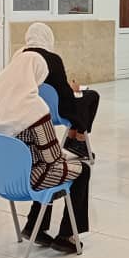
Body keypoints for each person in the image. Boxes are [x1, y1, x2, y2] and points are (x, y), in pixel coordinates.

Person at [0, 51, 90, 254]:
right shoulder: (34, 108)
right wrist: (64, 155)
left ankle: (36, 226)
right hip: (25, 182)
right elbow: (51, 158)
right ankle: (66, 236)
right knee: (81, 170)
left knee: (40, 164)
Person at [21, 23, 100, 160]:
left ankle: (73, 138)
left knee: (81, 99)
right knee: (91, 95)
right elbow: (65, 94)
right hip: (57, 112)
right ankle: (79, 140)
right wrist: (72, 88)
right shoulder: (53, 59)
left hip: (34, 109)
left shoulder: (22, 57)